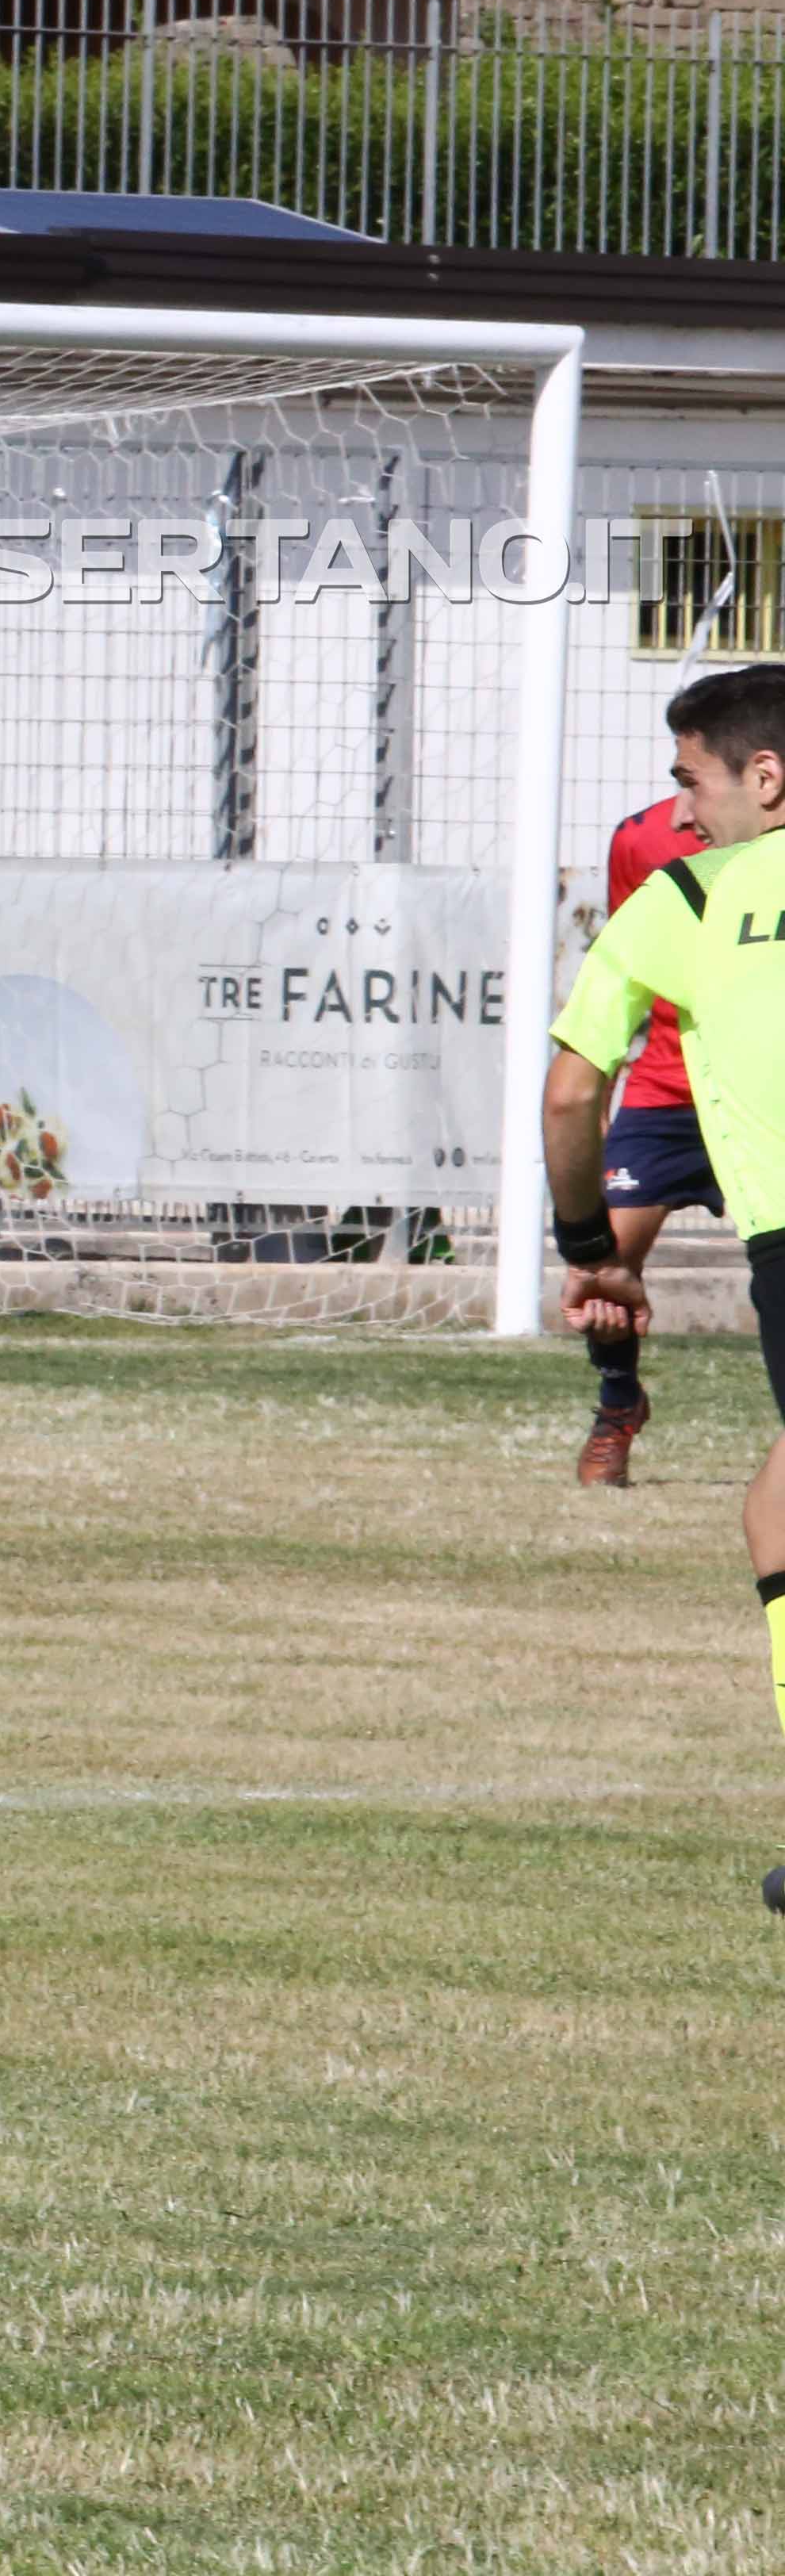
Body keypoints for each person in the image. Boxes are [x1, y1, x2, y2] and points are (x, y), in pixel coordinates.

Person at [543, 663, 785, 1911]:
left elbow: (572, 1089)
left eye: (693, 781)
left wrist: (588, 1249)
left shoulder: (690, 890)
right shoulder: (671, 861)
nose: (680, 813)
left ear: (765, 776)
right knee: (776, 1507)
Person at [576, 787, 718, 1486]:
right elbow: (621, 972)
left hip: (760, 1097)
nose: (684, 809)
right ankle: (618, 1405)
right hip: (664, 1093)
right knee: (605, 1262)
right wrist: (598, 1095)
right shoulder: (640, 839)